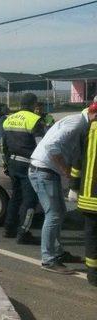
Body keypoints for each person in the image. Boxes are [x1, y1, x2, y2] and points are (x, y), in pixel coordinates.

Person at [29, 108, 95, 273]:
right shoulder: (77, 124)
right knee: (54, 215)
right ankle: (49, 259)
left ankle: (57, 253)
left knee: (59, 213)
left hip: (46, 171)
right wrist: (66, 170)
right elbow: (52, 147)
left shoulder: (78, 122)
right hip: (43, 171)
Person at [1, 93, 46, 244]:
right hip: (28, 164)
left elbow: (3, 145)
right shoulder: (35, 120)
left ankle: (9, 229)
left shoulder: (9, 119)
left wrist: (6, 163)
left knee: (16, 196)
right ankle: (23, 232)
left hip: (13, 162)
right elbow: (41, 146)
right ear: (34, 104)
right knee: (30, 200)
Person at [69, 103, 97, 286]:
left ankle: (93, 275)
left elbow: (77, 163)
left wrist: (73, 187)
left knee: (92, 235)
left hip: (90, 197)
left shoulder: (87, 131)